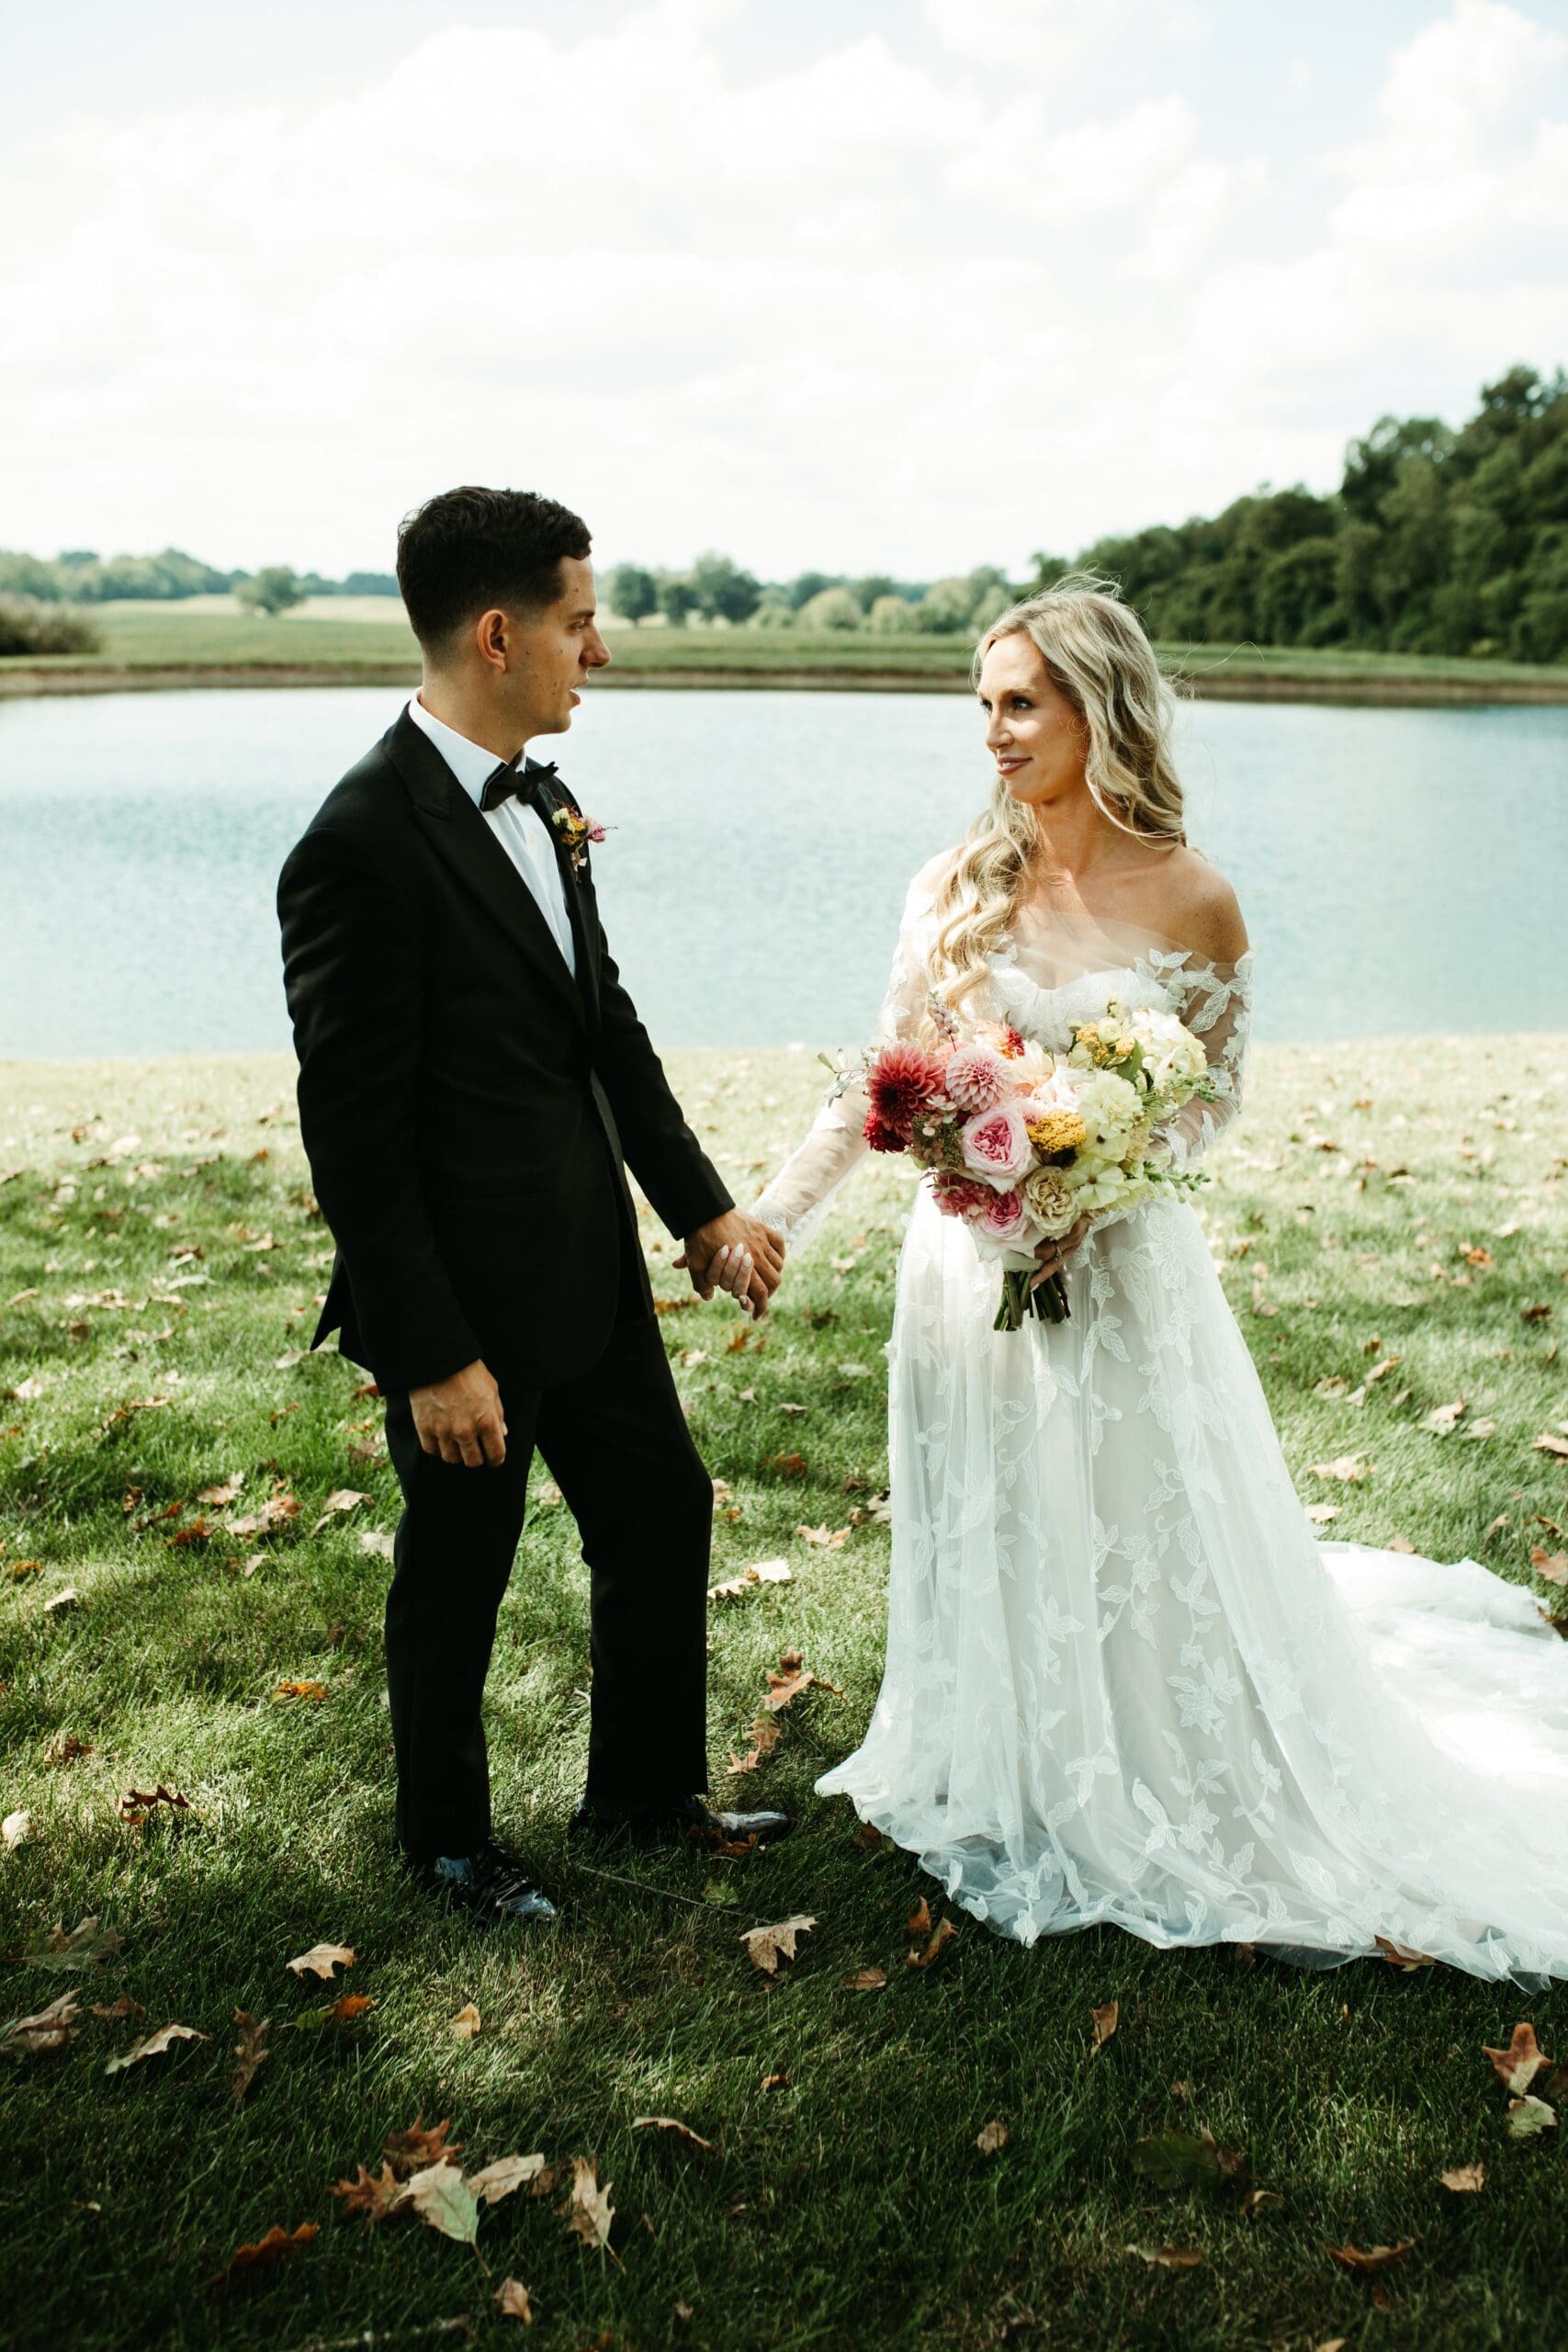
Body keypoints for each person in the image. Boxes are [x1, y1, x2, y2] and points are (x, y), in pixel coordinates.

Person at [752, 575, 1568, 1988]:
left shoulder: (1197, 897)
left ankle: (1151, 1760)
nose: (995, 732)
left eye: (1022, 703)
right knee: (998, 1505)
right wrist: (773, 1217)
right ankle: (1006, 1749)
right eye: (985, 705)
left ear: (1101, 710)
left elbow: (1209, 1099)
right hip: (964, 1266)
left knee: (1128, 1513)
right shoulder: (952, 888)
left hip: (1123, 1268)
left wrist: (1097, 1182)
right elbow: (882, 1080)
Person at [277, 484, 789, 1926]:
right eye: (580, 622)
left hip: (586, 1265)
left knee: (659, 1509)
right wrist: (430, 1353)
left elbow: (601, 1026)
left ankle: (643, 1796)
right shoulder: (359, 842)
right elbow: (353, 1140)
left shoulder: (546, 801)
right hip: (463, 1304)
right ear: (498, 635)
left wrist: (699, 1212)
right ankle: (446, 1849)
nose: (599, 652)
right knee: (460, 1573)